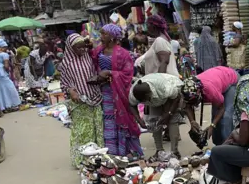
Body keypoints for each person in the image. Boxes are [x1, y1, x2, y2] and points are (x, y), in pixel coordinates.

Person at [91, 24, 142, 158]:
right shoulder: (98, 51)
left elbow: (127, 74)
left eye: (104, 34)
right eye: (101, 33)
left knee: (122, 119)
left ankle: (127, 152)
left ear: (113, 37)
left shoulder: (123, 54)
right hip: (102, 93)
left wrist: (110, 73)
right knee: (107, 122)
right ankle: (112, 153)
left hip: (118, 92)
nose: (101, 37)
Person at [60, 33, 104, 168]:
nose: (81, 50)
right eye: (77, 48)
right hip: (79, 102)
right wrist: (71, 91)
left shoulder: (89, 56)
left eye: (82, 47)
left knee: (98, 128)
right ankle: (82, 159)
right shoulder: (66, 63)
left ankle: (98, 157)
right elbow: (64, 84)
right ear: (70, 48)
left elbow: (99, 52)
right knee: (83, 131)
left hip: (95, 97)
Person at [129, 73, 183, 159]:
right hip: (158, 97)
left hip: (171, 93)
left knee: (172, 121)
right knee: (155, 121)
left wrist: (169, 114)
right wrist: (139, 120)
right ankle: (159, 150)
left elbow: (176, 98)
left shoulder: (165, 88)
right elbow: (132, 105)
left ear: (149, 94)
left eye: (146, 99)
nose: (145, 102)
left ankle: (175, 152)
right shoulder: (133, 94)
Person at [185, 66, 239, 147]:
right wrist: (192, 122)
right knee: (215, 115)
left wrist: (212, 126)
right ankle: (218, 145)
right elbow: (187, 105)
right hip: (217, 79)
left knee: (226, 117)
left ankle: (228, 147)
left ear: (199, 94)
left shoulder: (209, 91)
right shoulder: (188, 88)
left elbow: (222, 108)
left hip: (231, 79)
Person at [0, 39, 21, 114]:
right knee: (10, 87)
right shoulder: (4, 54)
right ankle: (12, 104)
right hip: (1, 72)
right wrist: (8, 71)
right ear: (2, 47)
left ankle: (1, 107)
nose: (6, 49)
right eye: (5, 47)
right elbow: (6, 66)